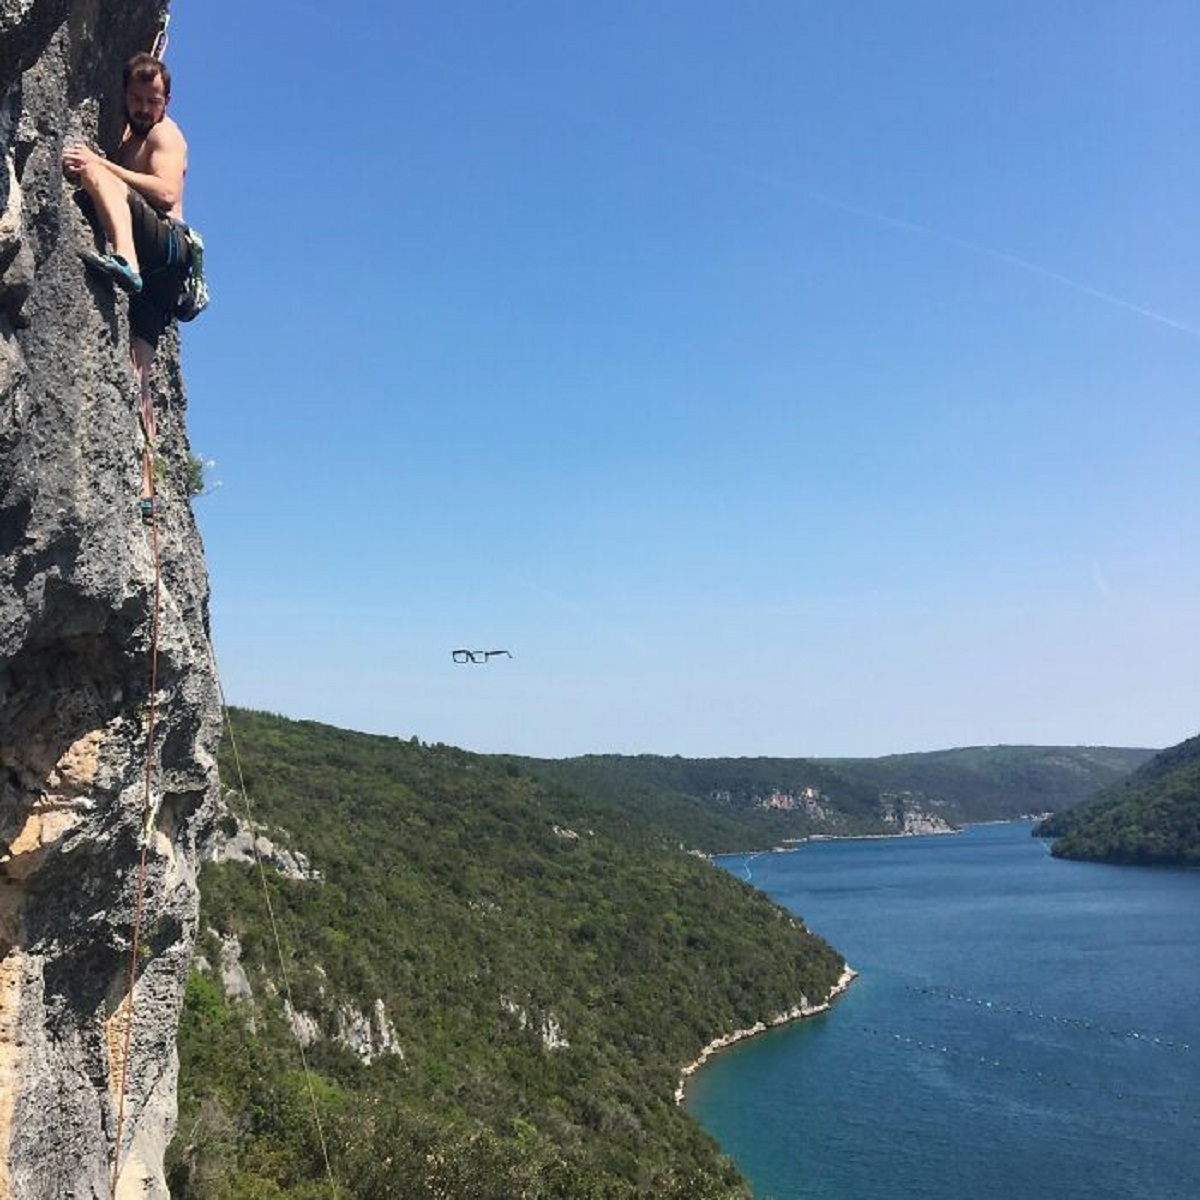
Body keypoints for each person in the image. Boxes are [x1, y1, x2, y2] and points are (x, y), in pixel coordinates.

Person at [63, 52, 189, 521]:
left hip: (166, 249)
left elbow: (166, 194)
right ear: (124, 96)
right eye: (135, 98)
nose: (142, 107)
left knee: (96, 173)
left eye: (151, 100)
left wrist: (102, 163)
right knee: (141, 369)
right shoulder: (127, 133)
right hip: (160, 284)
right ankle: (146, 488)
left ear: (166, 101)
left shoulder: (165, 134)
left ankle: (124, 259)